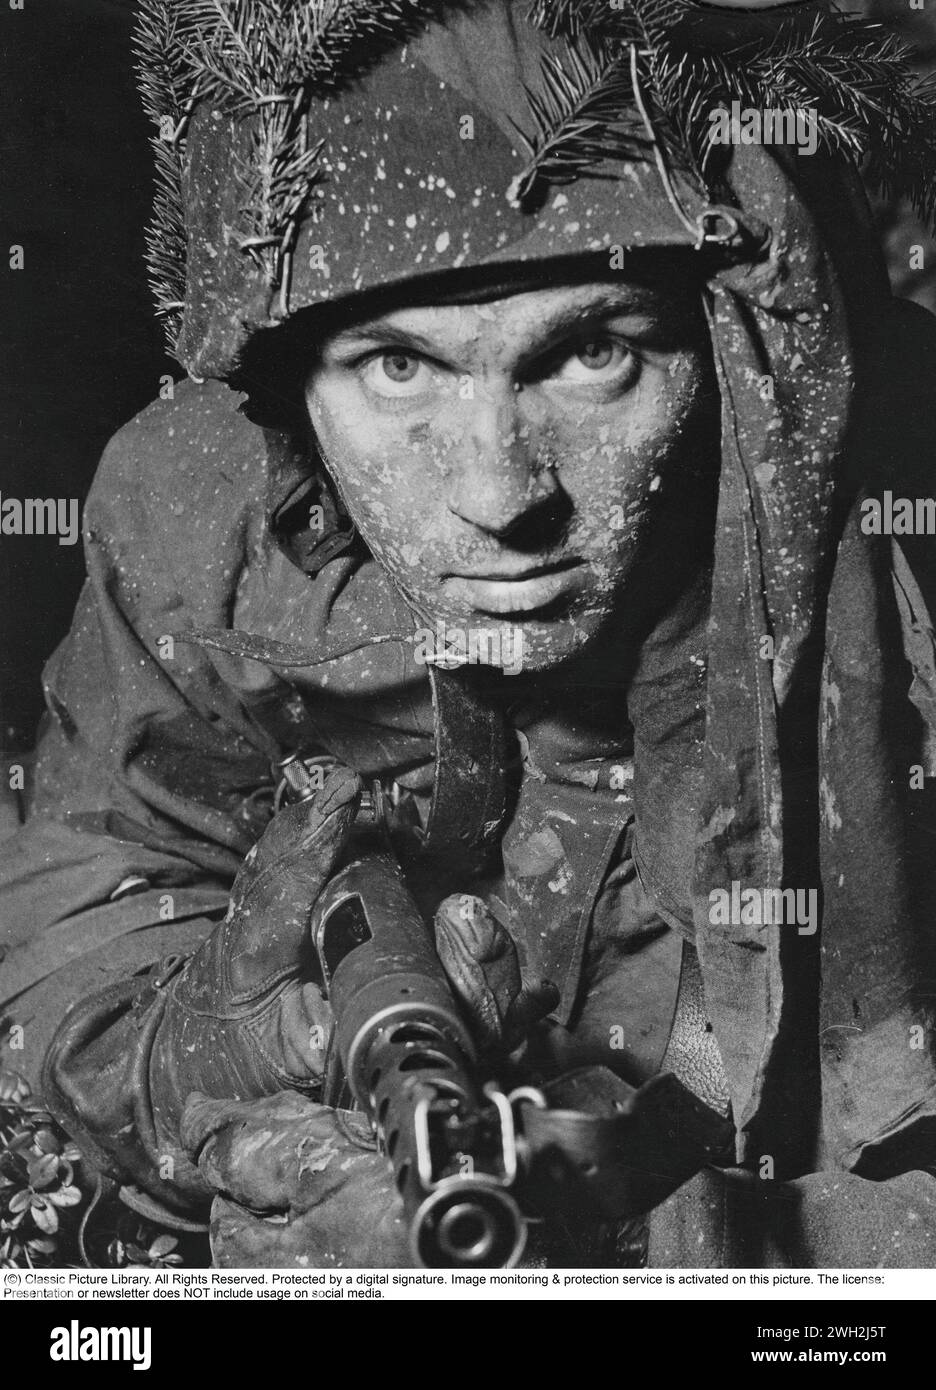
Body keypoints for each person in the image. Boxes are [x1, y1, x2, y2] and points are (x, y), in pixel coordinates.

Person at [3, 0, 936, 1268]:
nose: (500, 495)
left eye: (594, 353)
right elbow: (77, 907)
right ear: (285, 382)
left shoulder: (901, 503)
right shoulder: (194, 513)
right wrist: (211, 1061)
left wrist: (679, 1246)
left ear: (735, 348)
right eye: (397, 369)